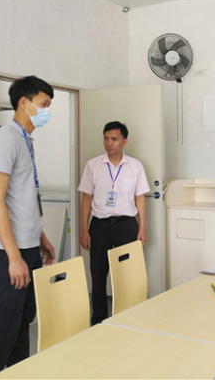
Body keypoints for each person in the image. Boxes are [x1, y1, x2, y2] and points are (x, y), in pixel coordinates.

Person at [0, 76, 56, 380]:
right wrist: (14, 257)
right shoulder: (4, 139)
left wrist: (40, 238)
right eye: (44, 104)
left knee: (22, 324)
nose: (47, 110)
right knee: (3, 330)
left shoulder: (25, 140)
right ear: (24, 103)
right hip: (6, 251)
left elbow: (22, 199)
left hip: (27, 246)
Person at [78, 121, 150, 325]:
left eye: (114, 139)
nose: (109, 143)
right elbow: (86, 199)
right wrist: (84, 230)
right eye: (106, 138)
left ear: (124, 141)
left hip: (126, 226)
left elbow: (140, 199)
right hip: (99, 227)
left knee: (127, 274)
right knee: (98, 274)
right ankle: (98, 320)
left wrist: (142, 228)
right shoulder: (93, 165)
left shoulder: (135, 166)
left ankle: (127, 318)